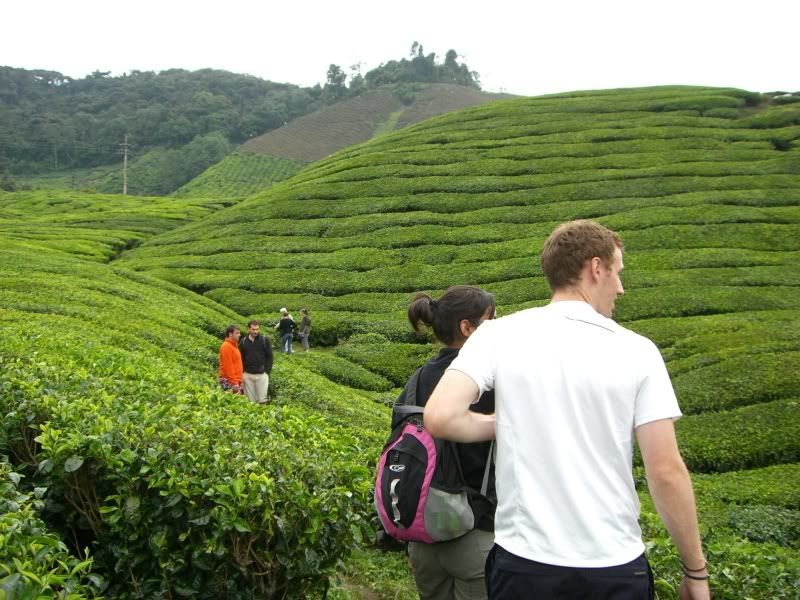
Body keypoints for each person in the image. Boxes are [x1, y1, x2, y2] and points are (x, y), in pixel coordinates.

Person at [424, 220, 710, 600]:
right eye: (617, 273)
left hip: (523, 563)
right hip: (613, 564)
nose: (620, 288)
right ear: (596, 268)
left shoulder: (497, 334)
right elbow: (665, 472)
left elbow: (441, 416)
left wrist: (506, 424)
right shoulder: (638, 351)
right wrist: (695, 571)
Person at [402, 285, 497, 600]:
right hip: (474, 532)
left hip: (423, 531)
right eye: (490, 319)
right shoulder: (487, 381)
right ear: (467, 328)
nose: (497, 327)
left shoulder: (417, 379)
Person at [238, 320, 273, 404]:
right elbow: (240, 358)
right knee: (251, 401)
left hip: (261, 375)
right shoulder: (243, 341)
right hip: (248, 375)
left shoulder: (265, 340)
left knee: (262, 400)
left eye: (257, 329)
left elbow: (270, 357)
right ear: (248, 329)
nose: (255, 331)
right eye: (253, 329)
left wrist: (266, 372)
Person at [218, 325, 243, 395]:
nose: (239, 335)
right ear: (230, 334)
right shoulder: (226, 346)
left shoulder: (234, 346)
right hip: (229, 381)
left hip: (235, 381)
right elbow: (228, 367)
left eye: (239, 333)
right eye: (237, 333)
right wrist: (234, 383)